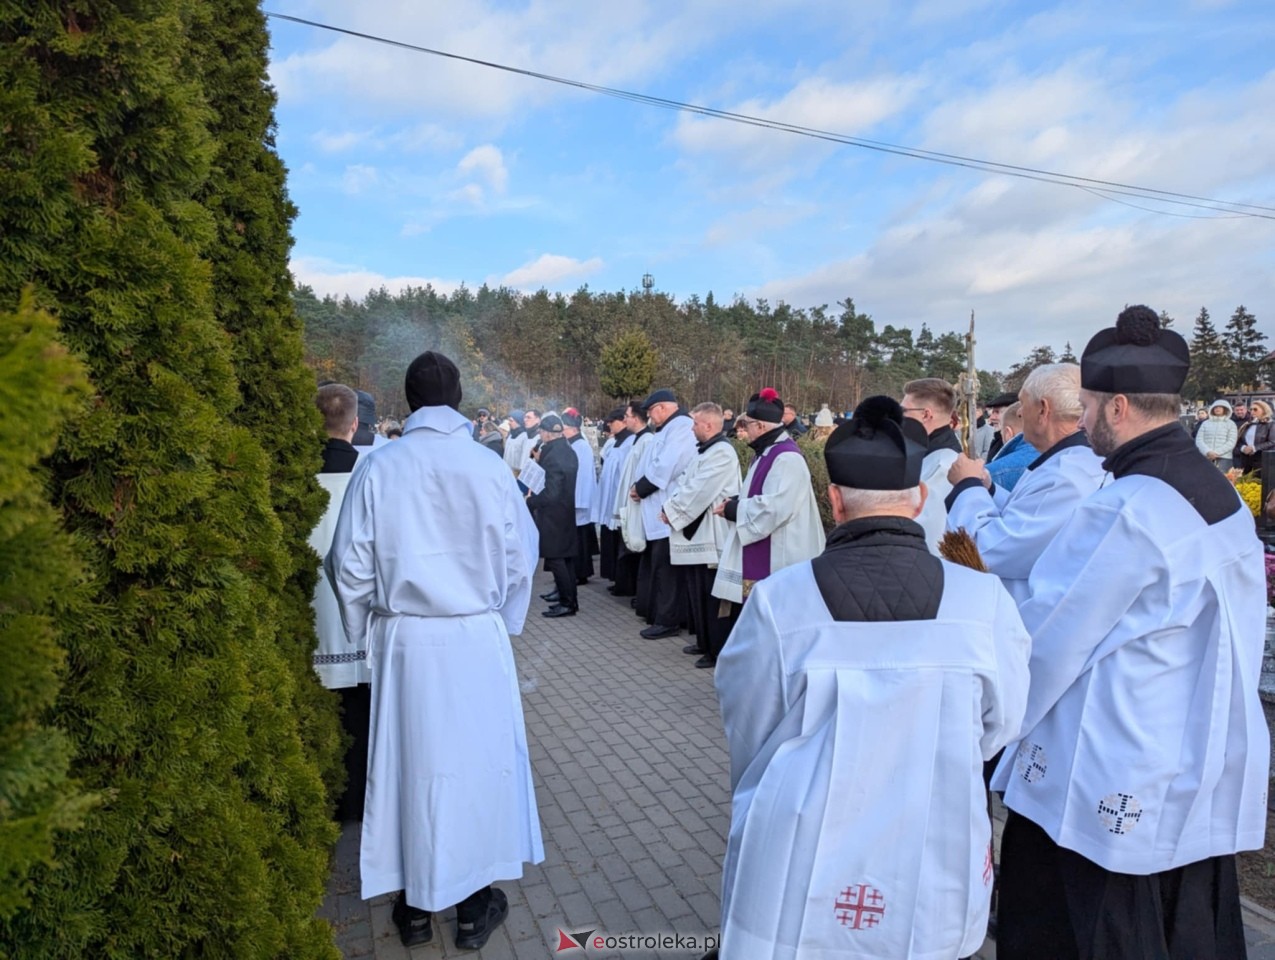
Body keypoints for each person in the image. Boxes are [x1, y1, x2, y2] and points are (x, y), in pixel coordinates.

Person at [994, 307, 1269, 960]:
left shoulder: (1125, 509)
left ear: (1117, 407)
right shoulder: (1221, 496)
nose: (1081, 419)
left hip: (1103, 769)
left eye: (1087, 406)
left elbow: (1046, 642)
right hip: (1184, 757)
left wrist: (982, 722)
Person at [714, 396, 1030, 959]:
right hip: (934, 838)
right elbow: (1000, 725)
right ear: (922, 497)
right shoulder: (984, 600)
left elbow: (750, 729)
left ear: (834, 500)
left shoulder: (779, 601)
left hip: (802, 845)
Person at [325, 351, 541, 951]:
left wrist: (363, 629)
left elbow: (348, 564)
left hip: (408, 642)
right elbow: (522, 557)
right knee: (475, 767)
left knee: (409, 765)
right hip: (474, 639)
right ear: (460, 399)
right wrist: (502, 621)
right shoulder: (489, 466)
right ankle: (472, 907)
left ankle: (415, 907)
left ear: (410, 400)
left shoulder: (380, 465)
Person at [946, 363, 1106, 606]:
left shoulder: (1065, 478)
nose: (1019, 413)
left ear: (1043, 409)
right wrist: (989, 489)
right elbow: (1026, 517)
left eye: (1022, 403)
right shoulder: (1073, 462)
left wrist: (967, 486)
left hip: (1031, 614)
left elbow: (989, 551)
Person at [310, 383, 370, 821]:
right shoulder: (373, 475)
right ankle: (359, 801)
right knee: (360, 714)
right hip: (360, 617)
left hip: (311, 612)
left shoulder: (292, 478)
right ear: (355, 424)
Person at [712, 388, 823, 605]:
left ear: (761, 426)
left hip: (782, 552)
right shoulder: (766, 452)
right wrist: (735, 501)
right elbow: (759, 493)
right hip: (772, 547)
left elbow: (775, 507)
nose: (745, 430)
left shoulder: (786, 457)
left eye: (747, 425)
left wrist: (734, 509)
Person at [660, 402, 742, 668]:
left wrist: (671, 510)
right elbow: (685, 482)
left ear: (708, 425)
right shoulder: (705, 451)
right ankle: (703, 641)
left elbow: (700, 489)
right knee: (697, 591)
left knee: (712, 596)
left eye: (695, 423)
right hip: (699, 532)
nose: (691, 428)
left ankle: (716, 650)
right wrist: (671, 506)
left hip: (714, 535)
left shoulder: (723, 453)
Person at [630, 388, 697, 639]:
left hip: (668, 508)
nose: (649, 417)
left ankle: (668, 620)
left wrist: (641, 488)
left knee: (668, 570)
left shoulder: (681, 427)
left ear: (662, 407)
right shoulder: (666, 429)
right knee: (659, 567)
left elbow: (668, 464)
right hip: (657, 509)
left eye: (651, 411)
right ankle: (659, 614)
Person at [526, 413, 579, 617]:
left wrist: (530, 502)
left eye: (541, 432)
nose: (540, 435)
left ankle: (567, 603)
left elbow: (552, 492)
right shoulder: (566, 450)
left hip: (554, 515)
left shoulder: (553, 456)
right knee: (565, 559)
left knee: (557, 559)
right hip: (565, 511)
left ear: (548, 433)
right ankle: (569, 599)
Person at [900, 378, 962, 552]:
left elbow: (927, 528)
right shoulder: (926, 452)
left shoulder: (944, 465)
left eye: (903, 411)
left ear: (925, 415)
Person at [612, 401, 653, 599]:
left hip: (639, 501)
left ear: (636, 418)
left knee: (637, 547)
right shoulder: (638, 439)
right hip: (631, 501)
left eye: (627, 416)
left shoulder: (647, 440)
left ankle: (638, 592)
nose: (625, 419)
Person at [562, 409, 598, 585]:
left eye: (564, 427)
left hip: (579, 499)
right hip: (573, 498)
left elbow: (582, 476)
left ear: (572, 428)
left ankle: (581, 572)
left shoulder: (581, 446)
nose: (562, 431)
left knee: (580, 539)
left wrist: (577, 499)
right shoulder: (572, 444)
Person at [984, 401, 1037, 492]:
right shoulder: (1057, 458)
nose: (992, 417)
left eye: (1001, 432)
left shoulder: (989, 475)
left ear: (1008, 433)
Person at [1195, 399, 1237, 471]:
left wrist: (1216, 452)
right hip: (1206, 456)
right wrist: (1207, 452)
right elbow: (1199, 440)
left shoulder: (1231, 424)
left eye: (1220, 407)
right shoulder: (1205, 423)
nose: (1217, 409)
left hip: (1224, 458)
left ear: (1225, 409)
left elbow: (1231, 442)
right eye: (1215, 407)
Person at [1237, 399, 1274, 474]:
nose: (1252, 411)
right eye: (1251, 409)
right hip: (1246, 459)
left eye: (1255, 409)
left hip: (1262, 459)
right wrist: (1243, 448)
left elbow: (1272, 441)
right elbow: (1240, 440)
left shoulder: (1271, 424)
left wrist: (1254, 448)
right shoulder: (1248, 424)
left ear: (1264, 410)